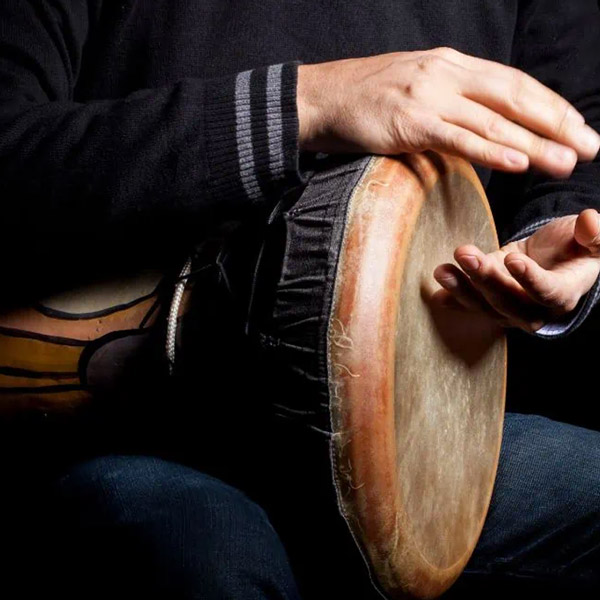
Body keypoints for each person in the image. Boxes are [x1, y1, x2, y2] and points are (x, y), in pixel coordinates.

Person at [0, 1, 599, 598]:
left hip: (419, 427)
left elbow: (579, 130)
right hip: (145, 424)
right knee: (207, 553)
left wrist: (560, 233)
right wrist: (304, 103)